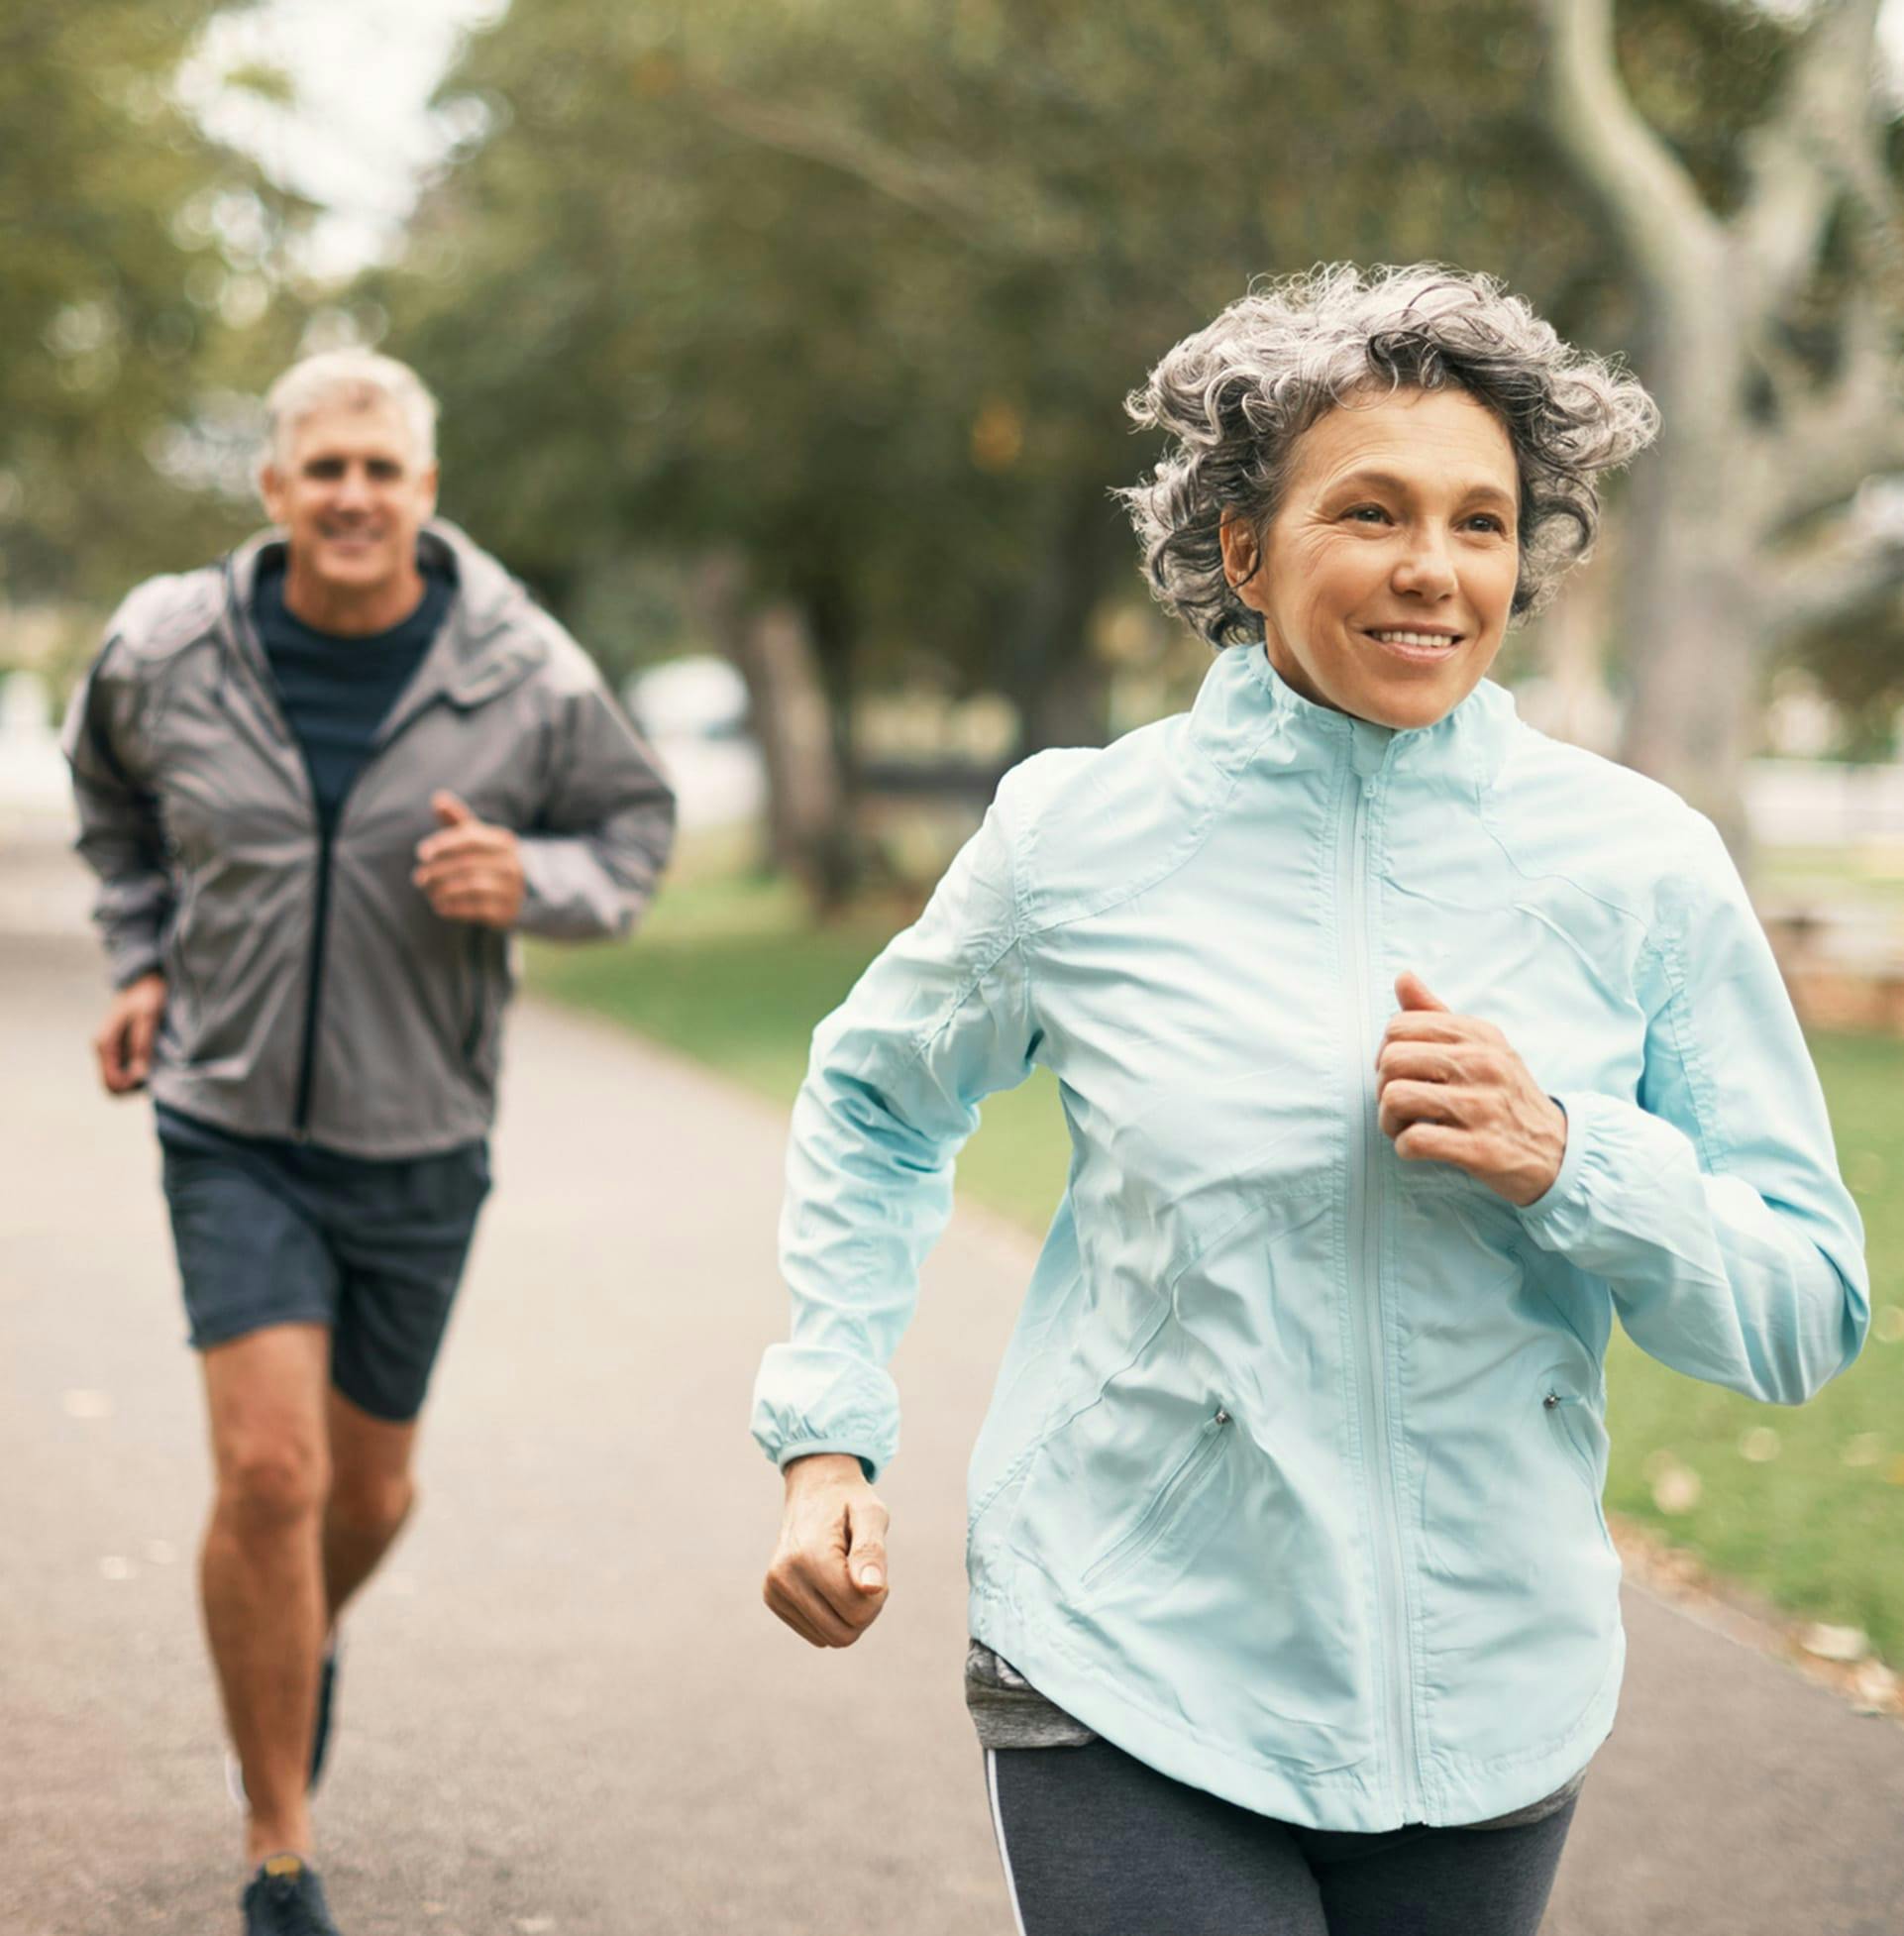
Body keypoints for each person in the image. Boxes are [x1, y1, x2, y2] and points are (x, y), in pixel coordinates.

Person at [752, 265, 1868, 1934]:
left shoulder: (1639, 865)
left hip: (1492, 1685)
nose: (1432, 568)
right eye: (1371, 509)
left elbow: (1803, 1309)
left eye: (1480, 522)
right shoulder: (1079, 842)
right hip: (1125, 1648)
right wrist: (824, 1427)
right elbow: (873, 1093)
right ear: (1241, 548)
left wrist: (1572, 1159)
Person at [65, 350, 676, 1936]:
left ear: (423, 489)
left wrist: (528, 883)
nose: (351, 495)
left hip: (423, 1128)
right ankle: (280, 1842)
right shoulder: (165, 646)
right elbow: (114, 803)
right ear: (272, 488)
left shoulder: (521, 668)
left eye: (381, 470)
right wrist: (139, 954)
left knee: (369, 1495)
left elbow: (632, 832)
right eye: (322, 466)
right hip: (230, 1115)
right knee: (269, 1470)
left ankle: (288, 1642)